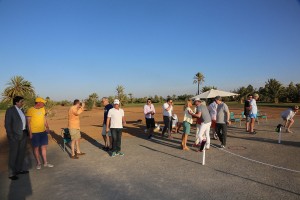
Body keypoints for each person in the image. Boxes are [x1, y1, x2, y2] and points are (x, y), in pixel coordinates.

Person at [5, 96, 29, 180]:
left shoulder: (22, 110)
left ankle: (19, 170)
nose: (23, 103)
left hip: (23, 134)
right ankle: (12, 173)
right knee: (13, 154)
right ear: (16, 102)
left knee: (21, 153)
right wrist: (11, 136)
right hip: (15, 136)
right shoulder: (10, 110)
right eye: (21, 101)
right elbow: (7, 124)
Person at [26, 97, 54, 169]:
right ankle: (38, 163)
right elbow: (28, 123)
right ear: (38, 103)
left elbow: (44, 119)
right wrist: (30, 133)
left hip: (43, 132)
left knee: (44, 147)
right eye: (43, 103)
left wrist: (47, 127)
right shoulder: (30, 110)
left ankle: (45, 162)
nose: (44, 104)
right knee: (36, 148)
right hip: (35, 133)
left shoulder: (42, 109)